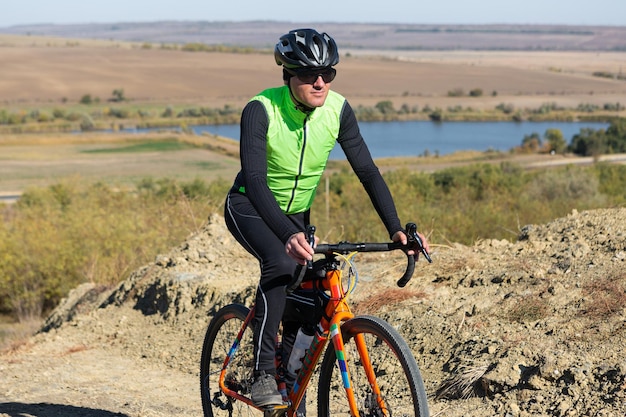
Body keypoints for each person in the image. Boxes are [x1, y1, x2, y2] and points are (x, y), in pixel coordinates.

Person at [224, 28, 430, 409]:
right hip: (250, 206)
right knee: (282, 263)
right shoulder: (261, 109)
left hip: (296, 213)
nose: (320, 82)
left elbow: (367, 170)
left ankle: (290, 374)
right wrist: (287, 233)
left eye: (328, 74)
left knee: (314, 289)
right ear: (287, 74)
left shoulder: (337, 109)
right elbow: (254, 180)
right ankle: (263, 371)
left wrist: (396, 228)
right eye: (308, 75)